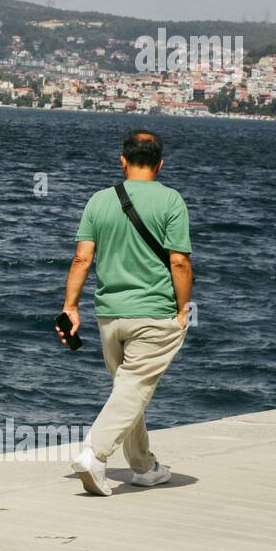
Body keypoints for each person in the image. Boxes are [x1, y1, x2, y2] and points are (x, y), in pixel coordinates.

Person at [56, 129, 193, 496]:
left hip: (109, 317)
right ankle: (94, 454)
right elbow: (179, 262)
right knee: (133, 388)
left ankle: (144, 467)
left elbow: (82, 258)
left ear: (123, 161)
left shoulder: (99, 201)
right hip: (153, 313)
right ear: (160, 164)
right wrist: (183, 310)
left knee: (128, 389)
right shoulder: (171, 200)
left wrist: (70, 307)